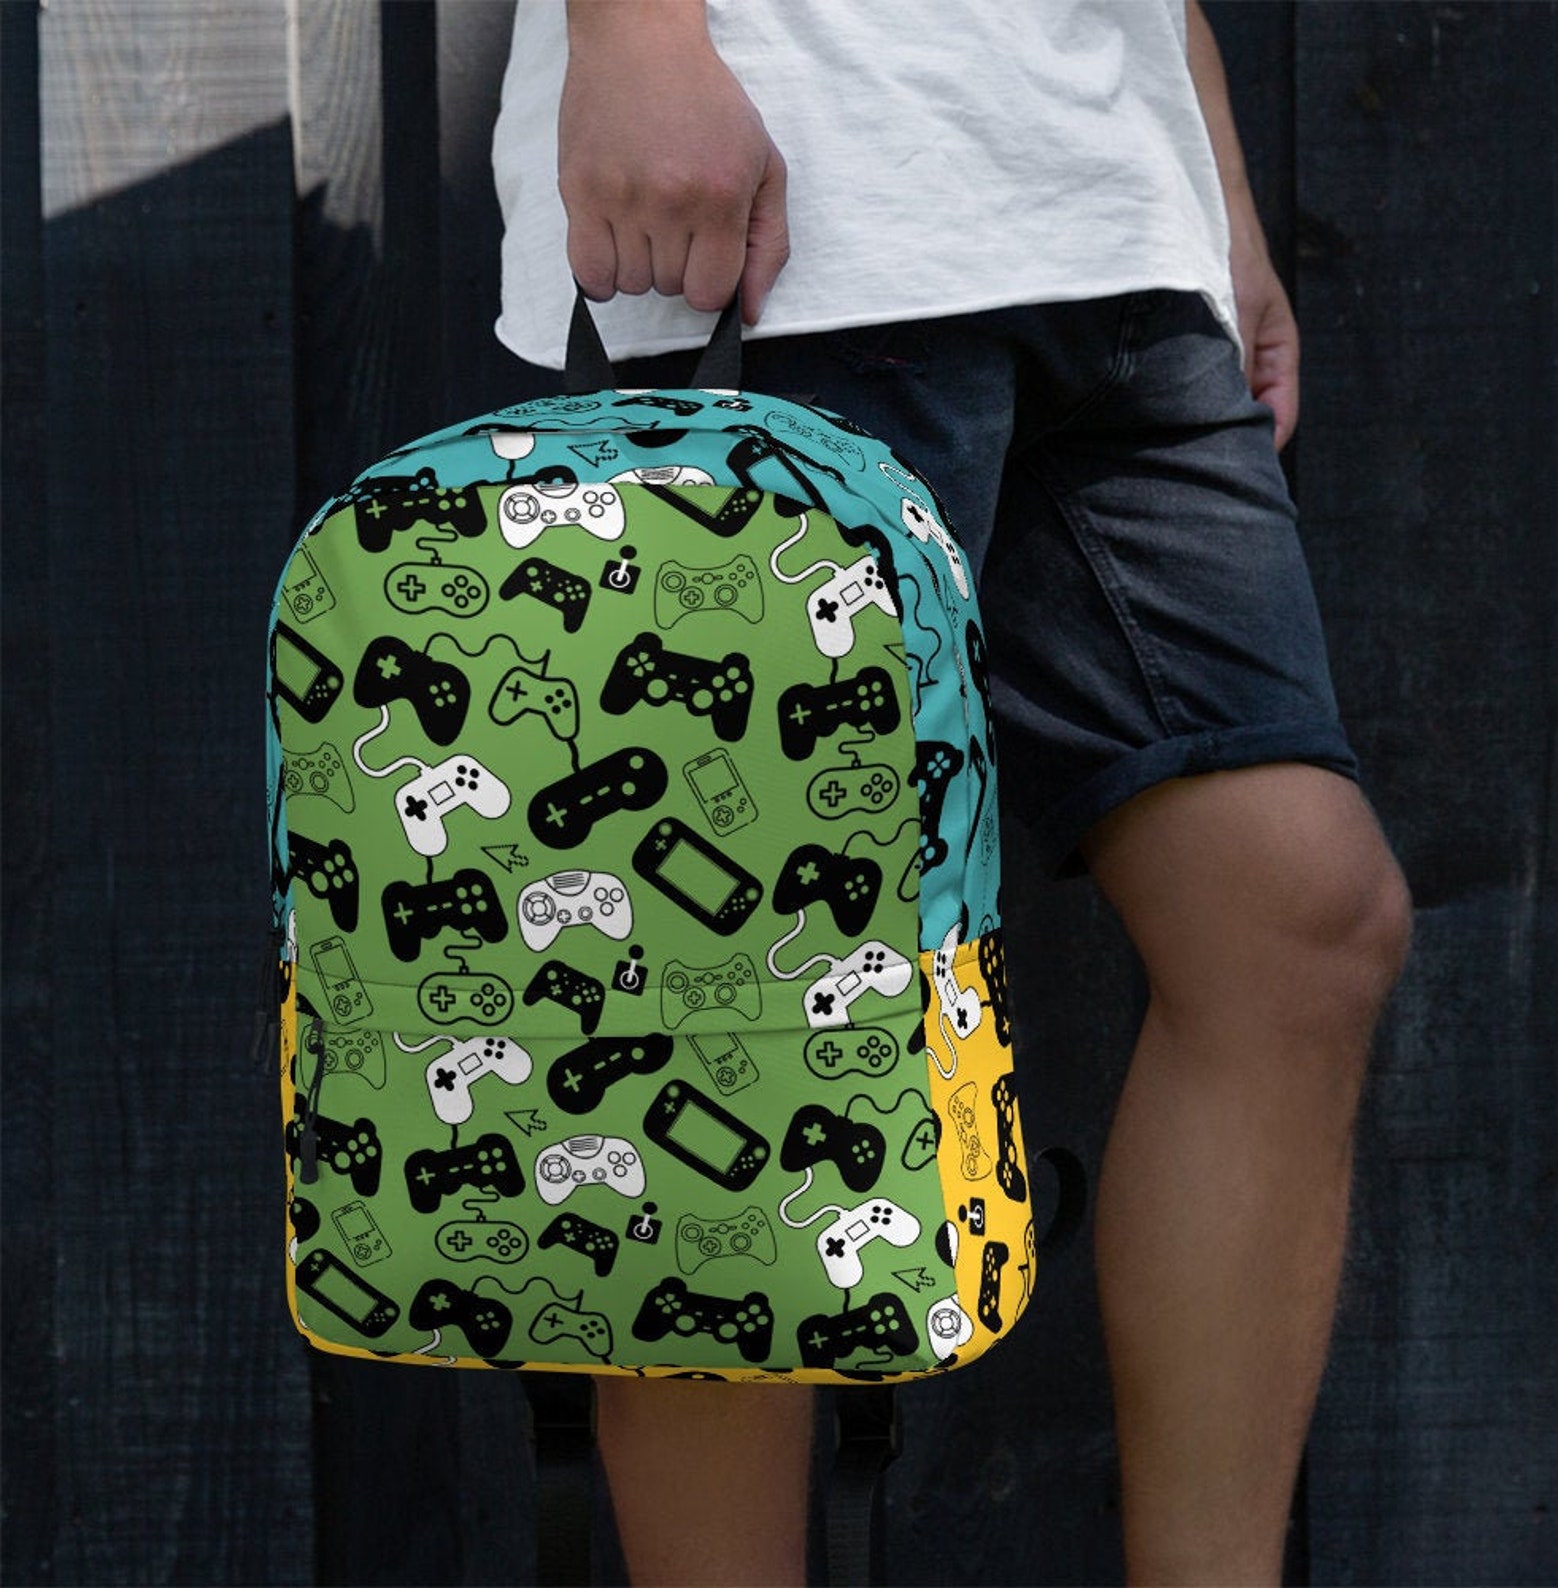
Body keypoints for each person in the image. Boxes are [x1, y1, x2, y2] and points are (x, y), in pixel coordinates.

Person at [492, 3, 1413, 1582]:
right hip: (796, 203)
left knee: (1295, 921)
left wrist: (1212, 171)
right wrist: (631, 36)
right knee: (722, 1016)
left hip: (1105, 214)